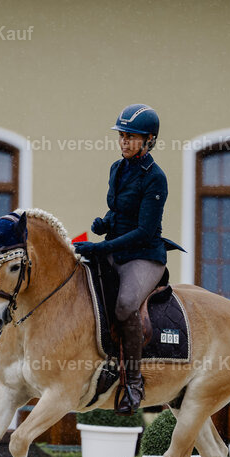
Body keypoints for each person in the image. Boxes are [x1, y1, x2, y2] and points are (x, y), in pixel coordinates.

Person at [74, 103, 184, 414]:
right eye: (122, 135)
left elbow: (143, 230)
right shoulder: (117, 168)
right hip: (115, 248)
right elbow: (119, 210)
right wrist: (104, 223)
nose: (124, 141)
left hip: (144, 255)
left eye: (131, 137)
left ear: (149, 140)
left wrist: (101, 247)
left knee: (124, 306)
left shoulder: (156, 178)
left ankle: (134, 381)